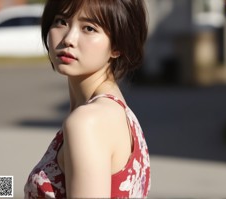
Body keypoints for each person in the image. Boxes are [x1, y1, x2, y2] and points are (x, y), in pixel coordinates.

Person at [24, 0, 150, 198]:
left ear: (117, 46)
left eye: (89, 28)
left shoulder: (88, 122)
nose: (69, 39)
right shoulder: (116, 111)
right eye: (61, 21)